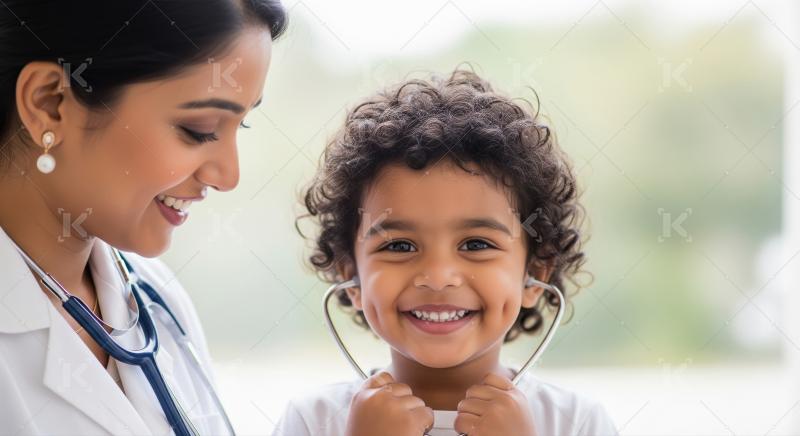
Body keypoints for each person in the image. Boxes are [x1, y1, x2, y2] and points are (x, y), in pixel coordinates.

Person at [274, 69, 618, 436]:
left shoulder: (577, 422)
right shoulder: (314, 420)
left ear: (536, 272)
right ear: (350, 276)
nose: (438, 277)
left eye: (476, 244)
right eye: (399, 246)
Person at [0, 1, 286, 434]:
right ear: (50, 103)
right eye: (200, 129)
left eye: (240, 126)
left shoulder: (159, 298)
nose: (229, 176)